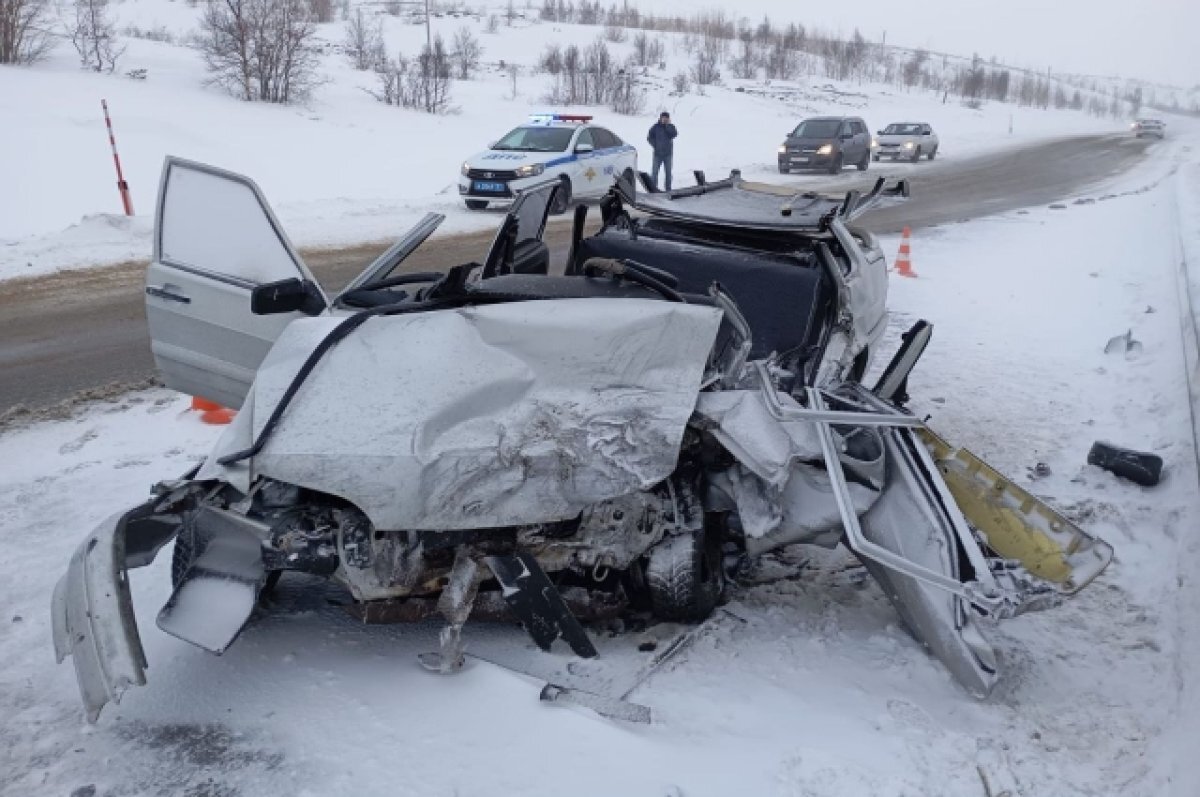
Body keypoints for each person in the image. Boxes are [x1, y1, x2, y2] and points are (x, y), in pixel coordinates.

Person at [646, 112, 677, 191]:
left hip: (668, 154)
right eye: (663, 118)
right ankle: (653, 189)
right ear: (660, 118)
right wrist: (655, 145)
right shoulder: (655, 127)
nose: (664, 119)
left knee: (668, 173)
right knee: (654, 173)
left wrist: (667, 126)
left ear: (668, 119)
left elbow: (674, 134)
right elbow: (649, 137)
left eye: (666, 118)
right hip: (657, 154)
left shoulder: (671, 126)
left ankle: (668, 189)